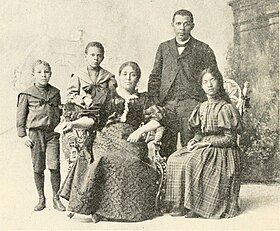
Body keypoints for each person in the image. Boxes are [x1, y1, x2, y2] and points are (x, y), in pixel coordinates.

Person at [59, 61, 163, 223]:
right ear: (119, 76)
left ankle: (129, 211)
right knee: (103, 158)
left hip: (131, 138)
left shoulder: (144, 99)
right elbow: (92, 119)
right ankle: (99, 209)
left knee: (132, 161)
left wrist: (140, 131)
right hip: (106, 137)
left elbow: (158, 120)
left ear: (138, 78)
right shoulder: (107, 95)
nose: (128, 78)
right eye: (124, 74)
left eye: (133, 75)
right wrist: (73, 124)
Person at [165, 67, 242, 219]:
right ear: (201, 86)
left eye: (212, 80)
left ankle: (196, 205)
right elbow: (199, 132)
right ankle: (180, 204)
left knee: (191, 163)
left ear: (219, 82)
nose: (209, 85)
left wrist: (206, 143)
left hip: (223, 151)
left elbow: (230, 139)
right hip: (205, 145)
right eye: (205, 82)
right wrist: (195, 140)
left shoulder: (225, 108)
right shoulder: (201, 107)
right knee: (174, 159)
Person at [148, 9, 219, 158]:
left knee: (191, 147)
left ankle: (189, 179)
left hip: (192, 105)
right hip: (167, 105)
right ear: (172, 25)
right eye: (178, 24)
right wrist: (155, 102)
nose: (182, 28)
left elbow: (214, 77)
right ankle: (167, 180)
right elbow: (155, 77)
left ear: (192, 26)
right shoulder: (164, 48)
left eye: (186, 24)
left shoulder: (203, 49)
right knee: (165, 147)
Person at [16, 60, 66, 212]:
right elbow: (20, 116)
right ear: (33, 75)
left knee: (55, 165)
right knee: (38, 167)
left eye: (46, 72)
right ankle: (41, 199)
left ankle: (56, 198)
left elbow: (59, 111)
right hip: (35, 134)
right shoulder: (27, 94)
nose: (43, 75)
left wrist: (63, 119)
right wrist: (23, 136)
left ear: (50, 74)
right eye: (39, 72)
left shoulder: (55, 93)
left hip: (52, 134)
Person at [62, 41, 117, 165]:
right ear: (85, 56)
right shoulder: (78, 76)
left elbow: (113, 97)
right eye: (92, 55)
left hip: (102, 116)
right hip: (82, 114)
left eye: (99, 55)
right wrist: (83, 99)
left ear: (103, 57)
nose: (95, 58)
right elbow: (70, 95)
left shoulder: (108, 77)